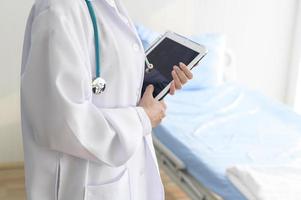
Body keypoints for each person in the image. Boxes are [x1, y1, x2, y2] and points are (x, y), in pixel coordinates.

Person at [20, 0, 193, 199]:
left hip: (121, 172)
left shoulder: (110, 5)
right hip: (83, 183)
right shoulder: (59, 9)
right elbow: (60, 123)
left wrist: (148, 87)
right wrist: (142, 118)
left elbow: (110, 79)